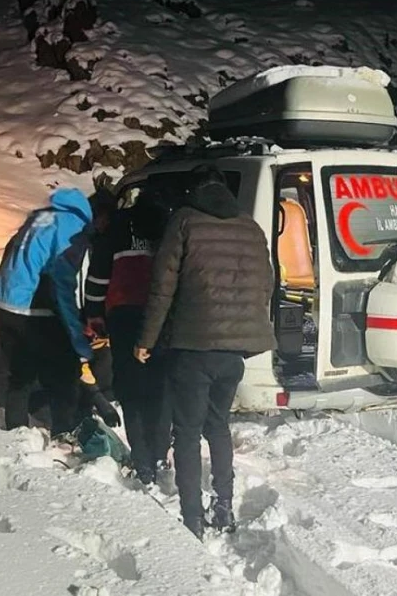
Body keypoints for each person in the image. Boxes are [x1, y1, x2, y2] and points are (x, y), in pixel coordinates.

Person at [135, 165, 276, 539]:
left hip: (193, 347)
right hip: (234, 352)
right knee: (218, 425)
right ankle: (224, 504)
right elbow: (266, 283)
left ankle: (192, 517)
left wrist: (146, 340)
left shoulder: (185, 221)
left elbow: (162, 286)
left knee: (186, 431)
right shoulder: (250, 227)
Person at [0, 187, 118, 436]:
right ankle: (65, 432)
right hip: (32, 307)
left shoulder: (42, 216)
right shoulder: (73, 228)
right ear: (100, 216)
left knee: (21, 373)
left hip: (3, 302)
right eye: (107, 223)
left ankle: (17, 435)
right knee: (64, 373)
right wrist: (77, 338)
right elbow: (62, 284)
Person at [86, 186, 176, 485]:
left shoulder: (118, 226)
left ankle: (142, 459)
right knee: (159, 385)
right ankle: (161, 453)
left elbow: (98, 275)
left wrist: (94, 312)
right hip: (160, 315)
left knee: (130, 385)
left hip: (123, 313)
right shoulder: (169, 225)